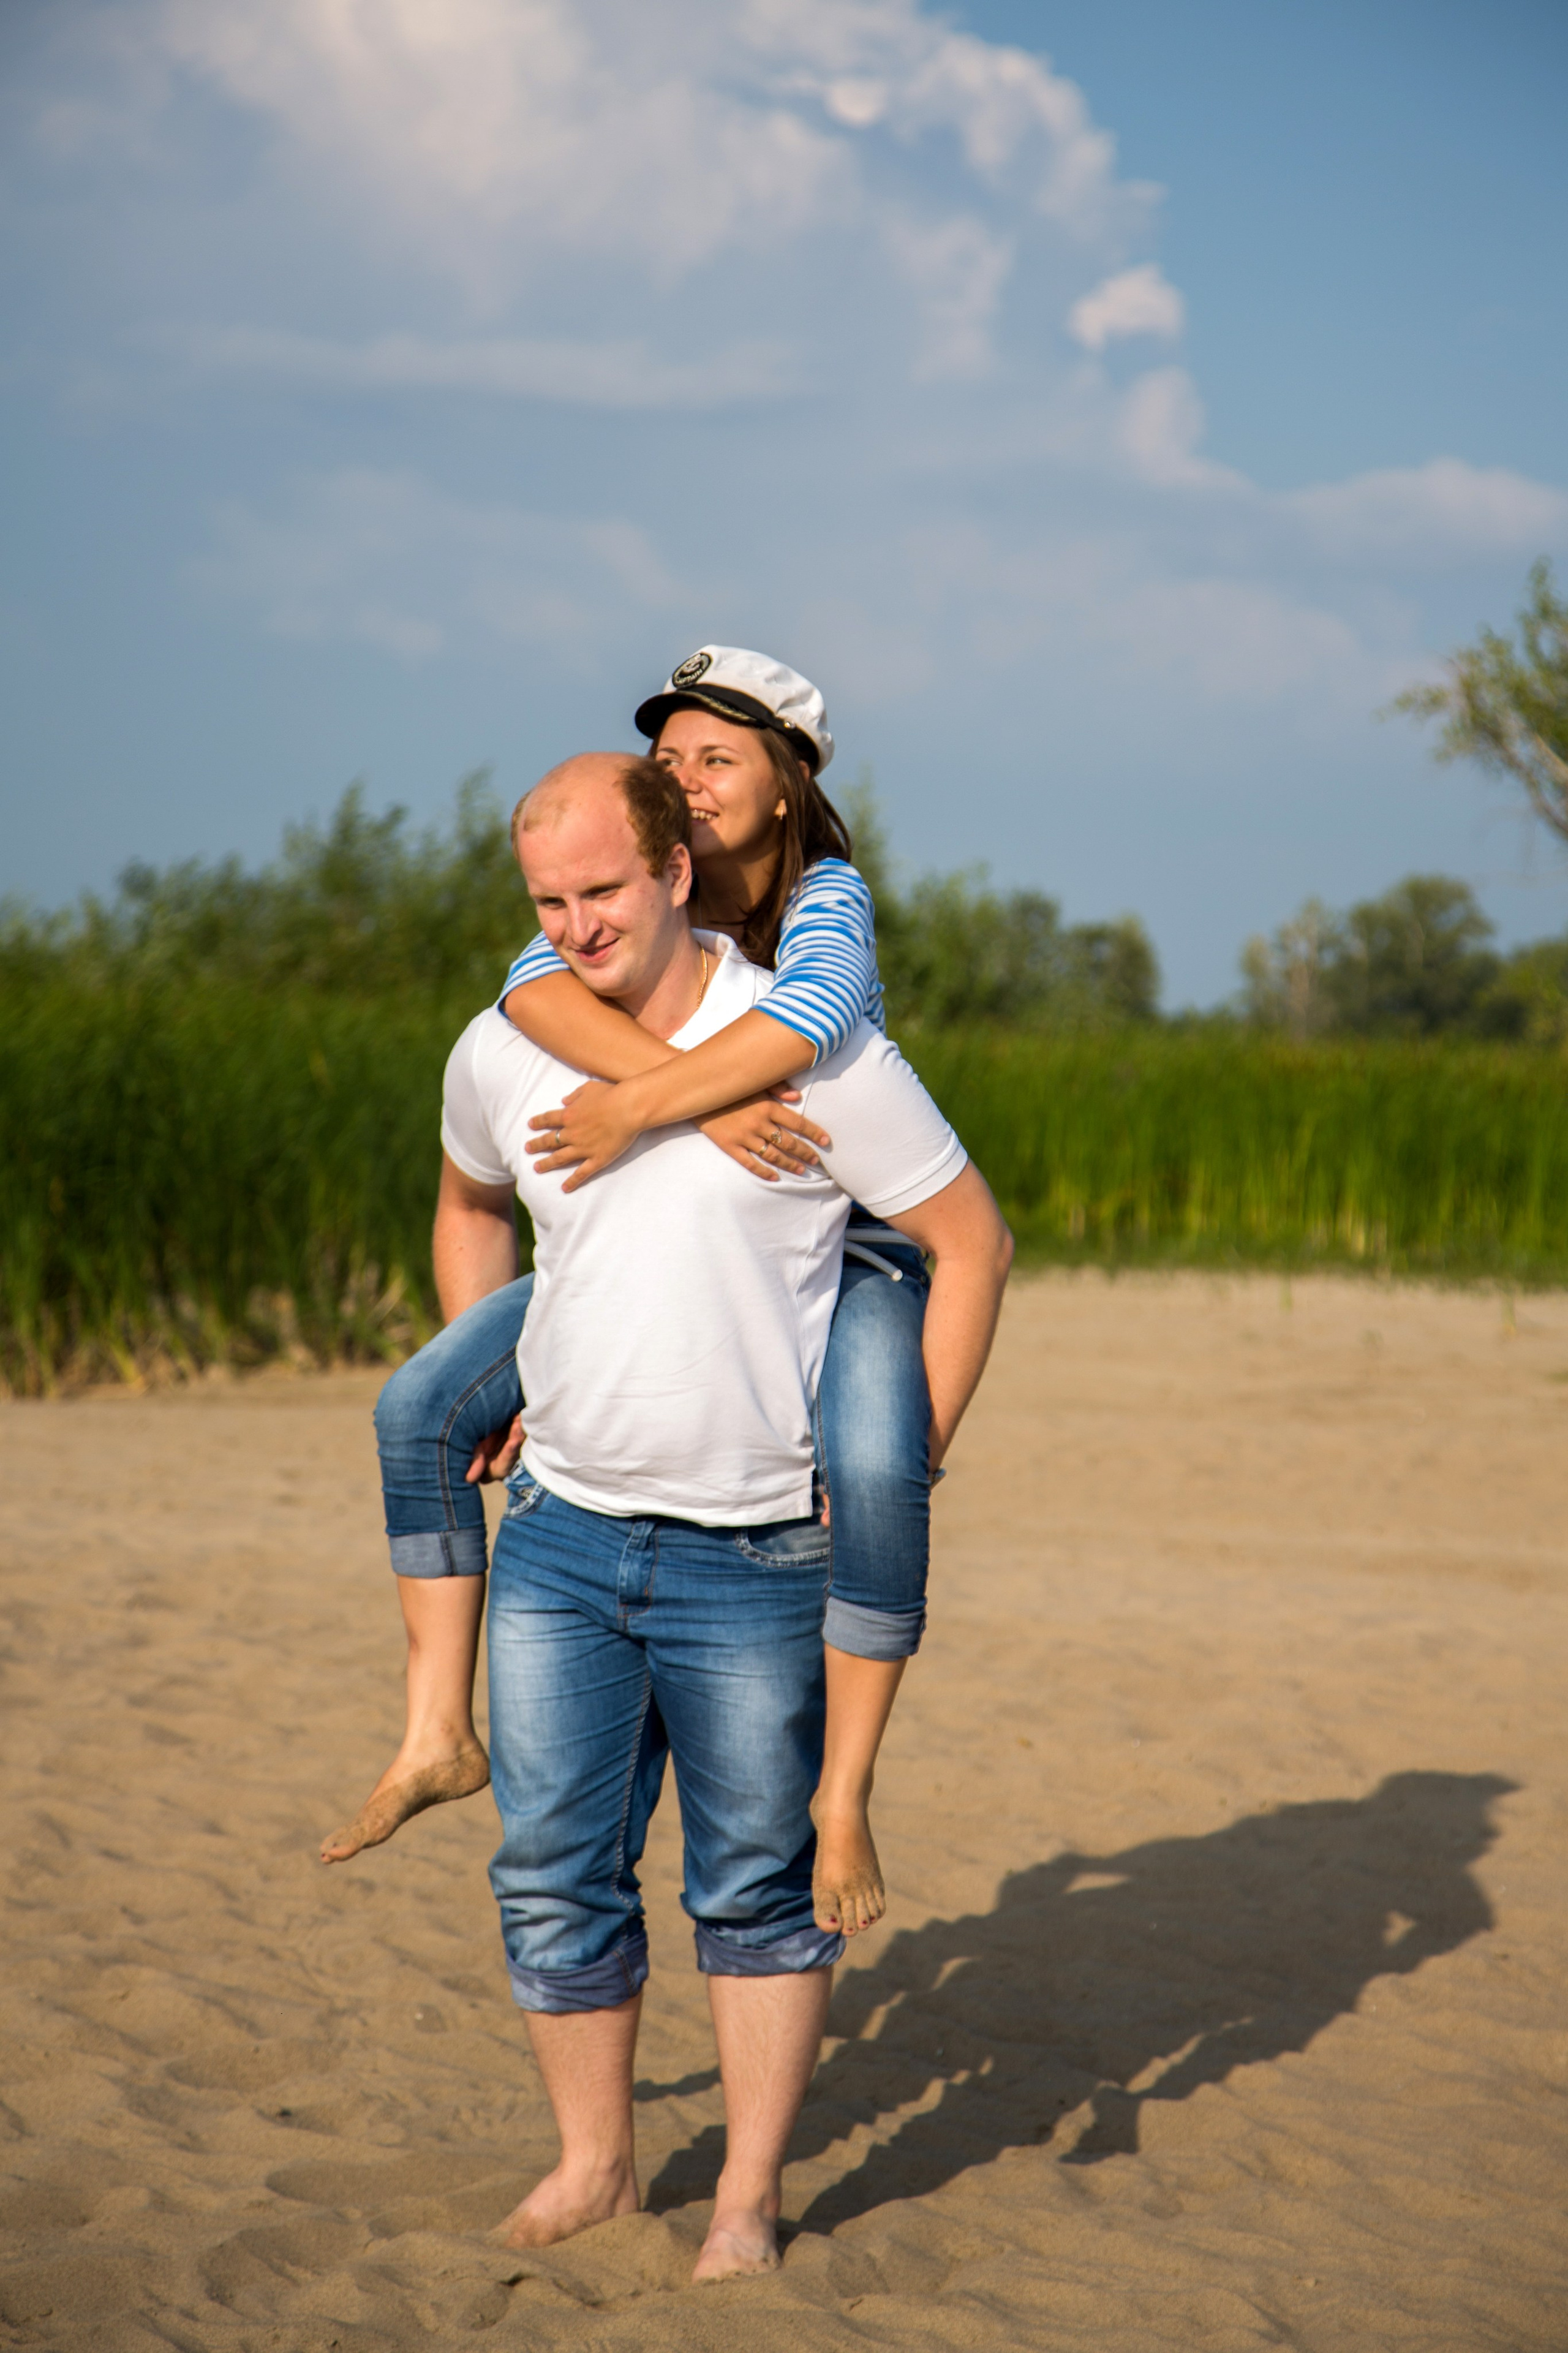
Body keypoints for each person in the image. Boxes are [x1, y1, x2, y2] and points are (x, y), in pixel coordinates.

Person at [434, 749, 1011, 2277]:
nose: (574, 928)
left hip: (756, 1551)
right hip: (557, 1538)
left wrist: (906, 1453)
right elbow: (467, 1199)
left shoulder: (817, 1058)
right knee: (552, 1864)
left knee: (754, 1885)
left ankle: (747, 2197)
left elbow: (969, 1239)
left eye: (603, 893)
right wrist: (480, 1370)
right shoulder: (507, 1043)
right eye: (546, 903)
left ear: (678, 870)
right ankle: (595, 2165)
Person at [323, 649, 943, 1933]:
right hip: (677, 1200)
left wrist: (658, 1106)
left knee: (880, 1473)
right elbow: (524, 987)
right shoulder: (610, 886)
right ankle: (437, 1725)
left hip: (853, 1236)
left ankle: (847, 1788)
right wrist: (702, 1108)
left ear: (789, 785)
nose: (687, 779)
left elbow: (819, 1010)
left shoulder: (824, 891)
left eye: (720, 756)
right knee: (421, 1408)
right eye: (669, 758)